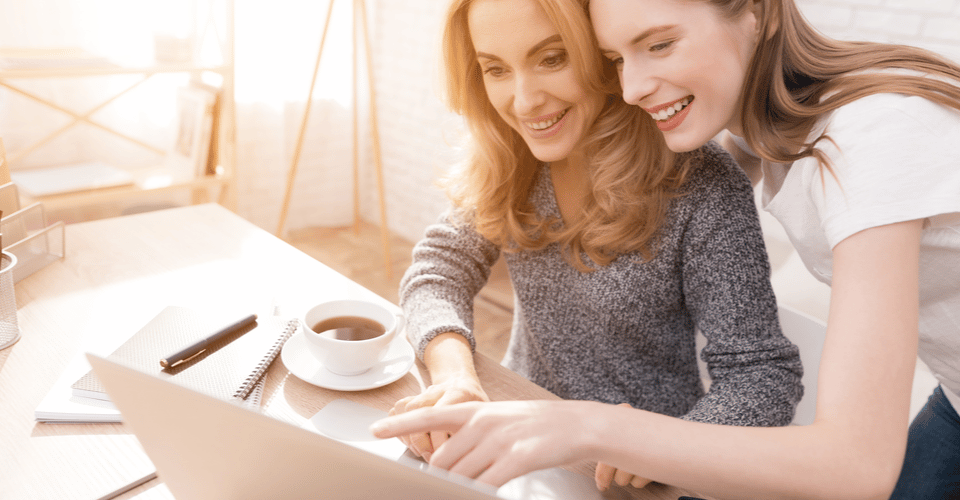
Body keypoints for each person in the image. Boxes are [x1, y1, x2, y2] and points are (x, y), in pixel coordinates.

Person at [373, 0, 960, 497]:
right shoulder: (760, 132)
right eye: (615, 58)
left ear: (755, 12)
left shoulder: (868, 141)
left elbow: (854, 465)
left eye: (659, 44)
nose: (631, 87)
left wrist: (600, 429)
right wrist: (455, 371)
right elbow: (444, 260)